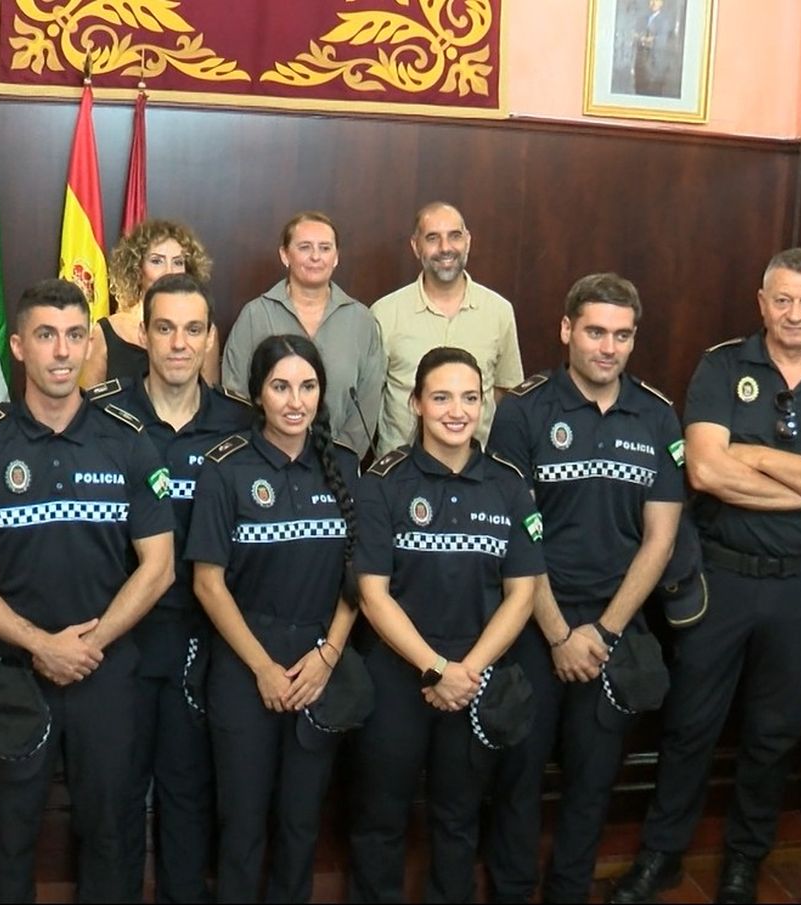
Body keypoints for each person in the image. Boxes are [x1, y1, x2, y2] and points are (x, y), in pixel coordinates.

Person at [611, 248, 801, 905]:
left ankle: (744, 859)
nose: (794, 313)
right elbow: (706, 472)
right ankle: (663, 854)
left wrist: (757, 455)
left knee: (773, 733)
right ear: (762, 301)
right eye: (782, 299)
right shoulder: (722, 364)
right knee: (690, 725)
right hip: (721, 579)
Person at [0, 278, 175, 903]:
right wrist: (43, 645)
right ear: (17, 346)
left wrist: (88, 645)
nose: (62, 351)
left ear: (90, 343)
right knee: (7, 842)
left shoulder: (128, 439)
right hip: (12, 673)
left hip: (108, 672)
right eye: (46, 336)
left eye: (75, 335)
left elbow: (160, 566)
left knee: (112, 836)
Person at [484, 274, 685, 903]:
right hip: (531, 622)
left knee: (593, 779)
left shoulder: (656, 414)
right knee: (517, 774)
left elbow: (661, 538)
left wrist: (601, 631)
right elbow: (515, 533)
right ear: (567, 330)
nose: (609, 347)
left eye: (622, 335)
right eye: (595, 331)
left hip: (613, 629)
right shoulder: (523, 410)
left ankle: (568, 891)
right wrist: (558, 634)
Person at [347, 347, 542, 903]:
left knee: (458, 818)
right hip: (397, 673)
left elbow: (522, 592)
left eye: (470, 397)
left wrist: (466, 673)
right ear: (415, 404)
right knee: (379, 816)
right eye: (441, 397)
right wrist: (434, 668)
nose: (457, 411)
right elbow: (371, 593)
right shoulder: (384, 481)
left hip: (475, 679)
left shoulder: (507, 484)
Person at [87, 272, 254, 902]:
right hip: (120, 635)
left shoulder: (241, 425)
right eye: (164, 329)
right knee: (115, 794)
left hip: (204, 639)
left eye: (192, 330)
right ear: (143, 335)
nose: (179, 344)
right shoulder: (105, 418)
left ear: (211, 338)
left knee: (188, 794)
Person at [186, 334, 362, 902]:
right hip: (245, 669)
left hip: (320, 666)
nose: (295, 401)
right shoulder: (226, 469)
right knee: (240, 828)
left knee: (300, 824)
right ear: (257, 394)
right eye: (281, 386)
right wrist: (262, 668)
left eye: (307, 386)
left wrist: (328, 656)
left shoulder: (348, 469)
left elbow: (360, 584)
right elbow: (207, 584)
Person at [221, 211, 384, 456]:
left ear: (336, 257)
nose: (316, 257)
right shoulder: (256, 315)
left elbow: (368, 403)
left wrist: (342, 458)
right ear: (285, 255)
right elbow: (235, 395)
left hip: (337, 467)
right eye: (305, 247)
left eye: (325, 248)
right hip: (263, 462)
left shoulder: (361, 320)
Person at [371, 202, 524, 455]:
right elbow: (370, 396)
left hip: (475, 472)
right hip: (399, 474)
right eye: (433, 238)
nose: (445, 248)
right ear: (415, 245)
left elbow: (504, 390)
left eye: (455, 236)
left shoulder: (499, 311)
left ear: (468, 241)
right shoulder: (384, 313)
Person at [82, 219, 218, 388]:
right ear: (137, 269)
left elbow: (210, 402)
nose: (169, 271)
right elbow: (88, 405)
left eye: (178, 262)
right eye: (156, 261)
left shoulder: (202, 329)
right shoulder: (106, 331)